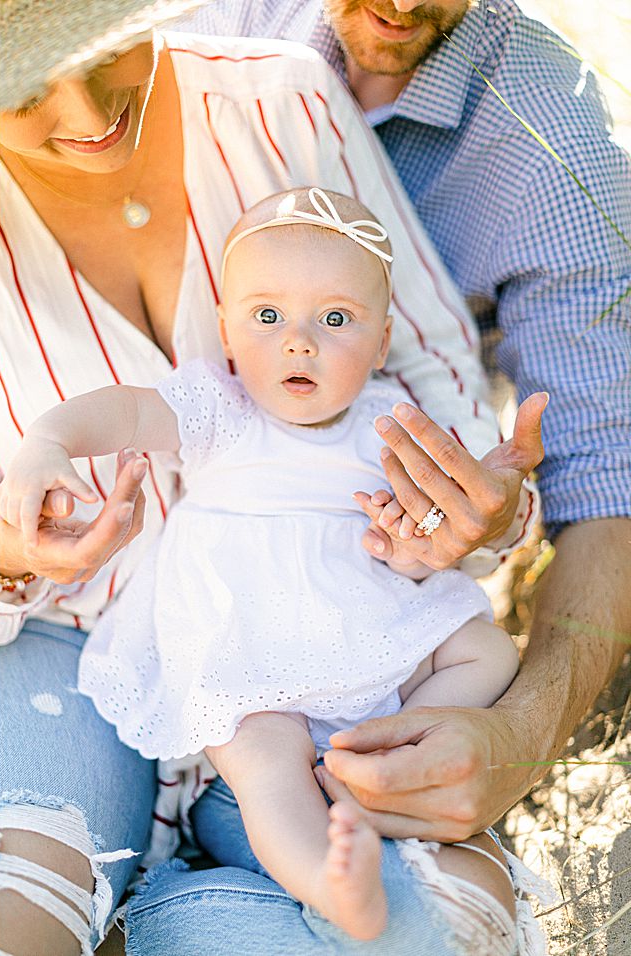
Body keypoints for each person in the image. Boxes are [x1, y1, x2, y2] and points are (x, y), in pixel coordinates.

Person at [0, 1, 547, 953]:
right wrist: (37, 460)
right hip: (165, 637)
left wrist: (484, 498)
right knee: (246, 773)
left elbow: (445, 399)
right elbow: (126, 412)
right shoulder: (218, 402)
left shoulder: (284, 102)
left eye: (105, 48)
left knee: (485, 672)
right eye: (28, 85)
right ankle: (313, 878)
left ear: (370, 342)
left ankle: (346, 793)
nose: (87, 110)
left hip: (366, 616)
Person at [172, 0, 631, 876]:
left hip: (399, 618)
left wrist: (518, 735)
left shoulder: (548, 142)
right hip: (213, 621)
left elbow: (608, 482)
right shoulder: (210, 40)